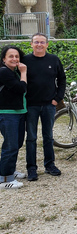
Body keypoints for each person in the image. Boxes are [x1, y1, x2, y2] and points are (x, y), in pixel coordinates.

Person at [23, 33, 66, 181]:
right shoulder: (25, 61)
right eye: (36, 42)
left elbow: (62, 79)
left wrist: (57, 98)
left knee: (48, 136)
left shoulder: (53, 60)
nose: (39, 44)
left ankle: (49, 165)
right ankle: (31, 168)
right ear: (31, 44)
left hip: (49, 105)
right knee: (31, 138)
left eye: (42, 42)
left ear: (47, 44)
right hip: (31, 106)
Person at [0, 46, 27, 189]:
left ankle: (11, 170)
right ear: (4, 58)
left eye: (17, 56)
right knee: (10, 145)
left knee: (16, 143)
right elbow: (21, 88)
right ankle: (4, 179)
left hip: (18, 112)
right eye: (11, 56)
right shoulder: (4, 72)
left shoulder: (12, 72)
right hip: (7, 113)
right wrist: (23, 72)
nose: (15, 59)